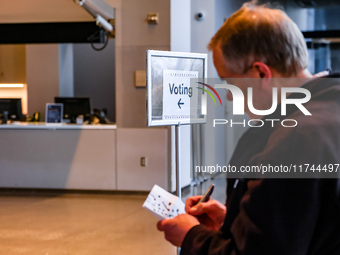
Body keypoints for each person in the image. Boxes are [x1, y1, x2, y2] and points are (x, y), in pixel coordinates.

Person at [157, 2, 340, 255]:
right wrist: (235, 220)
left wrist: (192, 236)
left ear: (260, 74)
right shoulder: (329, 111)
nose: (229, 97)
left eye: (230, 81)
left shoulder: (292, 140)